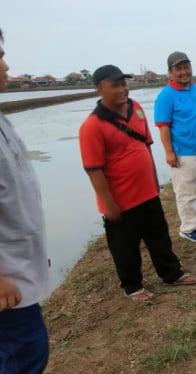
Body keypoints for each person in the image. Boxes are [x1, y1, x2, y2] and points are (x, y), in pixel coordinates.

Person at [79, 64, 196, 302]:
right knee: (125, 247)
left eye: (123, 83)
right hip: (120, 200)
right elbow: (93, 169)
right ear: (99, 89)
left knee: (160, 237)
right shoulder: (92, 126)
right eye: (114, 85)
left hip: (147, 192)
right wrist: (108, 204)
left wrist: (155, 181)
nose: (122, 89)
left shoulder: (135, 108)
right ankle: (132, 286)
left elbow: (145, 145)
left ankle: (171, 273)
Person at [0, 28, 50, 373]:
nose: (6, 66)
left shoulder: (3, 120)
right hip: (7, 289)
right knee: (20, 358)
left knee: (32, 354)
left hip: (20, 271)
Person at [154, 51, 196, 243]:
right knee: (186, 191)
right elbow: (163, 126)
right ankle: (189, 227)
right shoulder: (166, 96)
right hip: (182, 152)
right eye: (178, 68)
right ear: (170, 72)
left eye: (186, 67)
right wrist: (169, 152)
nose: (184, 72)